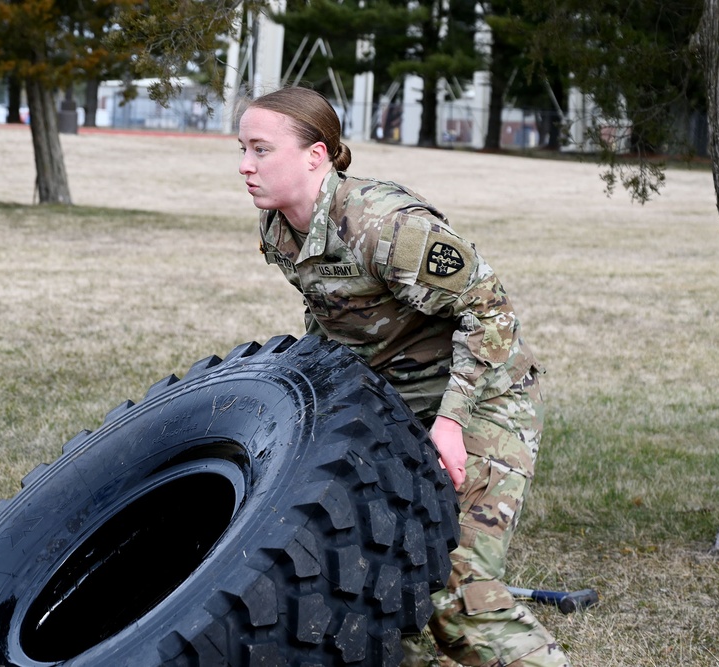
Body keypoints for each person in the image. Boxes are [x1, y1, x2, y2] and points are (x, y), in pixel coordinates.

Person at [237, 86, 571, 667]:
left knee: (457, 595)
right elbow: (329, 319)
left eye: (261, 149)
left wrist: (449, 423)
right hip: (394, 405)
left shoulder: (385, 225)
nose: (245, 165)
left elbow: (490, 311)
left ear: (316, 155)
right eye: (242, 148)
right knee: (384, 595)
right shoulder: (278, 229)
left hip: (482, 399)